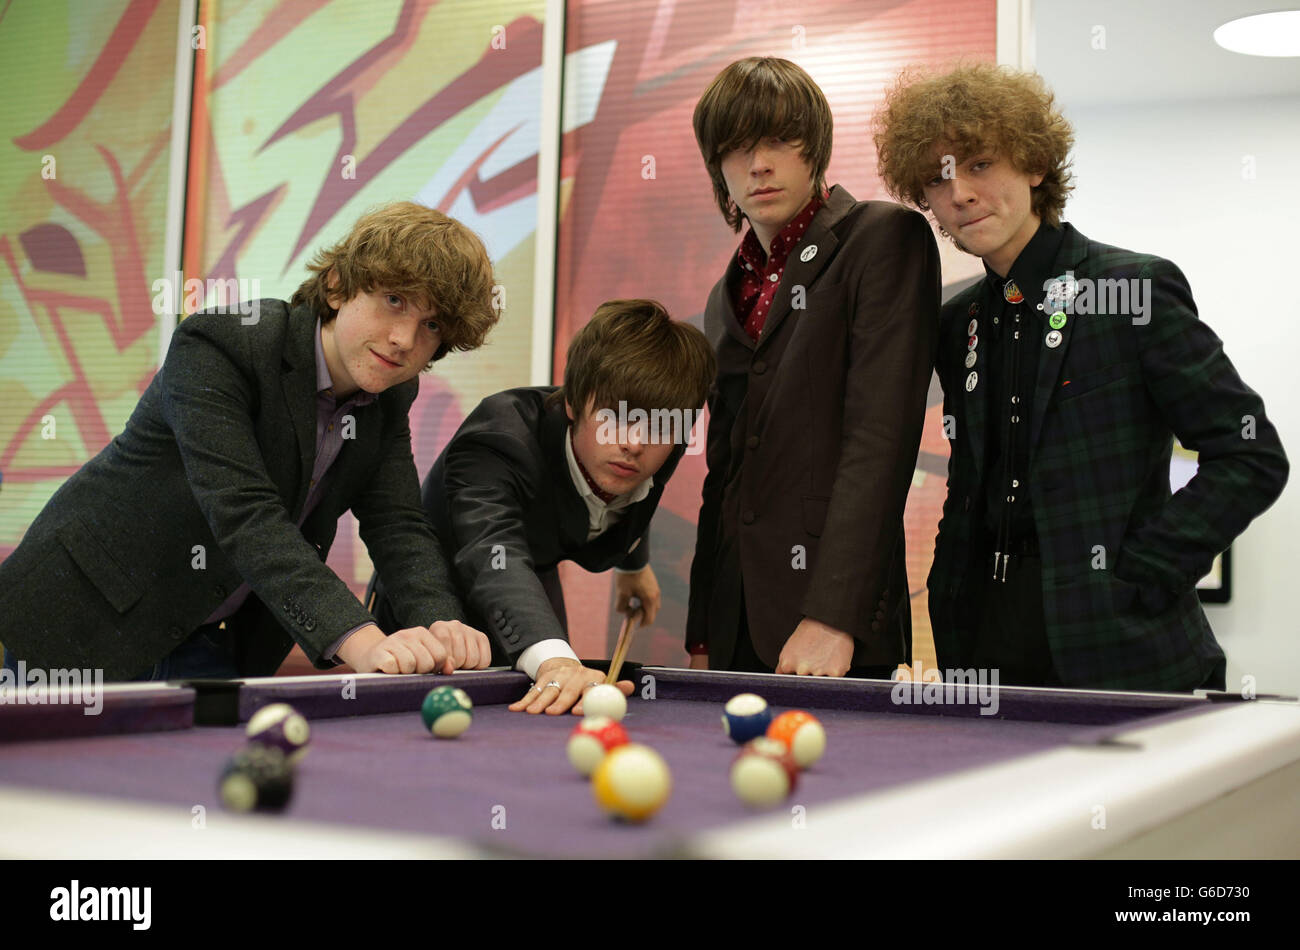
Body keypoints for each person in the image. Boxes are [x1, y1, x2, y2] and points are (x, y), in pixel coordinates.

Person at [873, 63, 1289, 690]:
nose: (958, 192)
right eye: (938, 177)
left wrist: (1146, 568)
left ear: (1034, 166)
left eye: (979, 164)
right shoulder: (956, 322)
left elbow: (1251, 454)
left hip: (1120, 644)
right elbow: (971, 482)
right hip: (978, 640)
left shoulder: (1131, 290)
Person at [0, 201, 498, 682]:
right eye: (394, 301)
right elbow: (245, 513)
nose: (405, 340)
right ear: (338, 285)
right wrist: (360, 638)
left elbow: (398, 523)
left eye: (431, 325)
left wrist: (439, 622)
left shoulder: (389, 391)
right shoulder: (223, 345)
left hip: (208, 644)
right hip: (79, 622)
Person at [686, 57, 940, 677]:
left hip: (833, 623)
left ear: (815, 146)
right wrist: (702, 625)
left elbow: (880, 440)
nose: (758, 165)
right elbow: (724, 474)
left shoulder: (883, 239)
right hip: (736, 619)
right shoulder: (725, 296)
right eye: (735, 149)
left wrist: (835, 616)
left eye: (776, 140)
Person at [371, 300, 714, 713]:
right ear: (572, 402)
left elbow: (638, 493)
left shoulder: (662, 444)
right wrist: (554, 659)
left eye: (657, 426)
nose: (635, 444)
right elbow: (493, 553)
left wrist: (632, 564)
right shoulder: (498, 441)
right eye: (615, 418)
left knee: (554, 704)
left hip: (532, 577)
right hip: (436, 597)